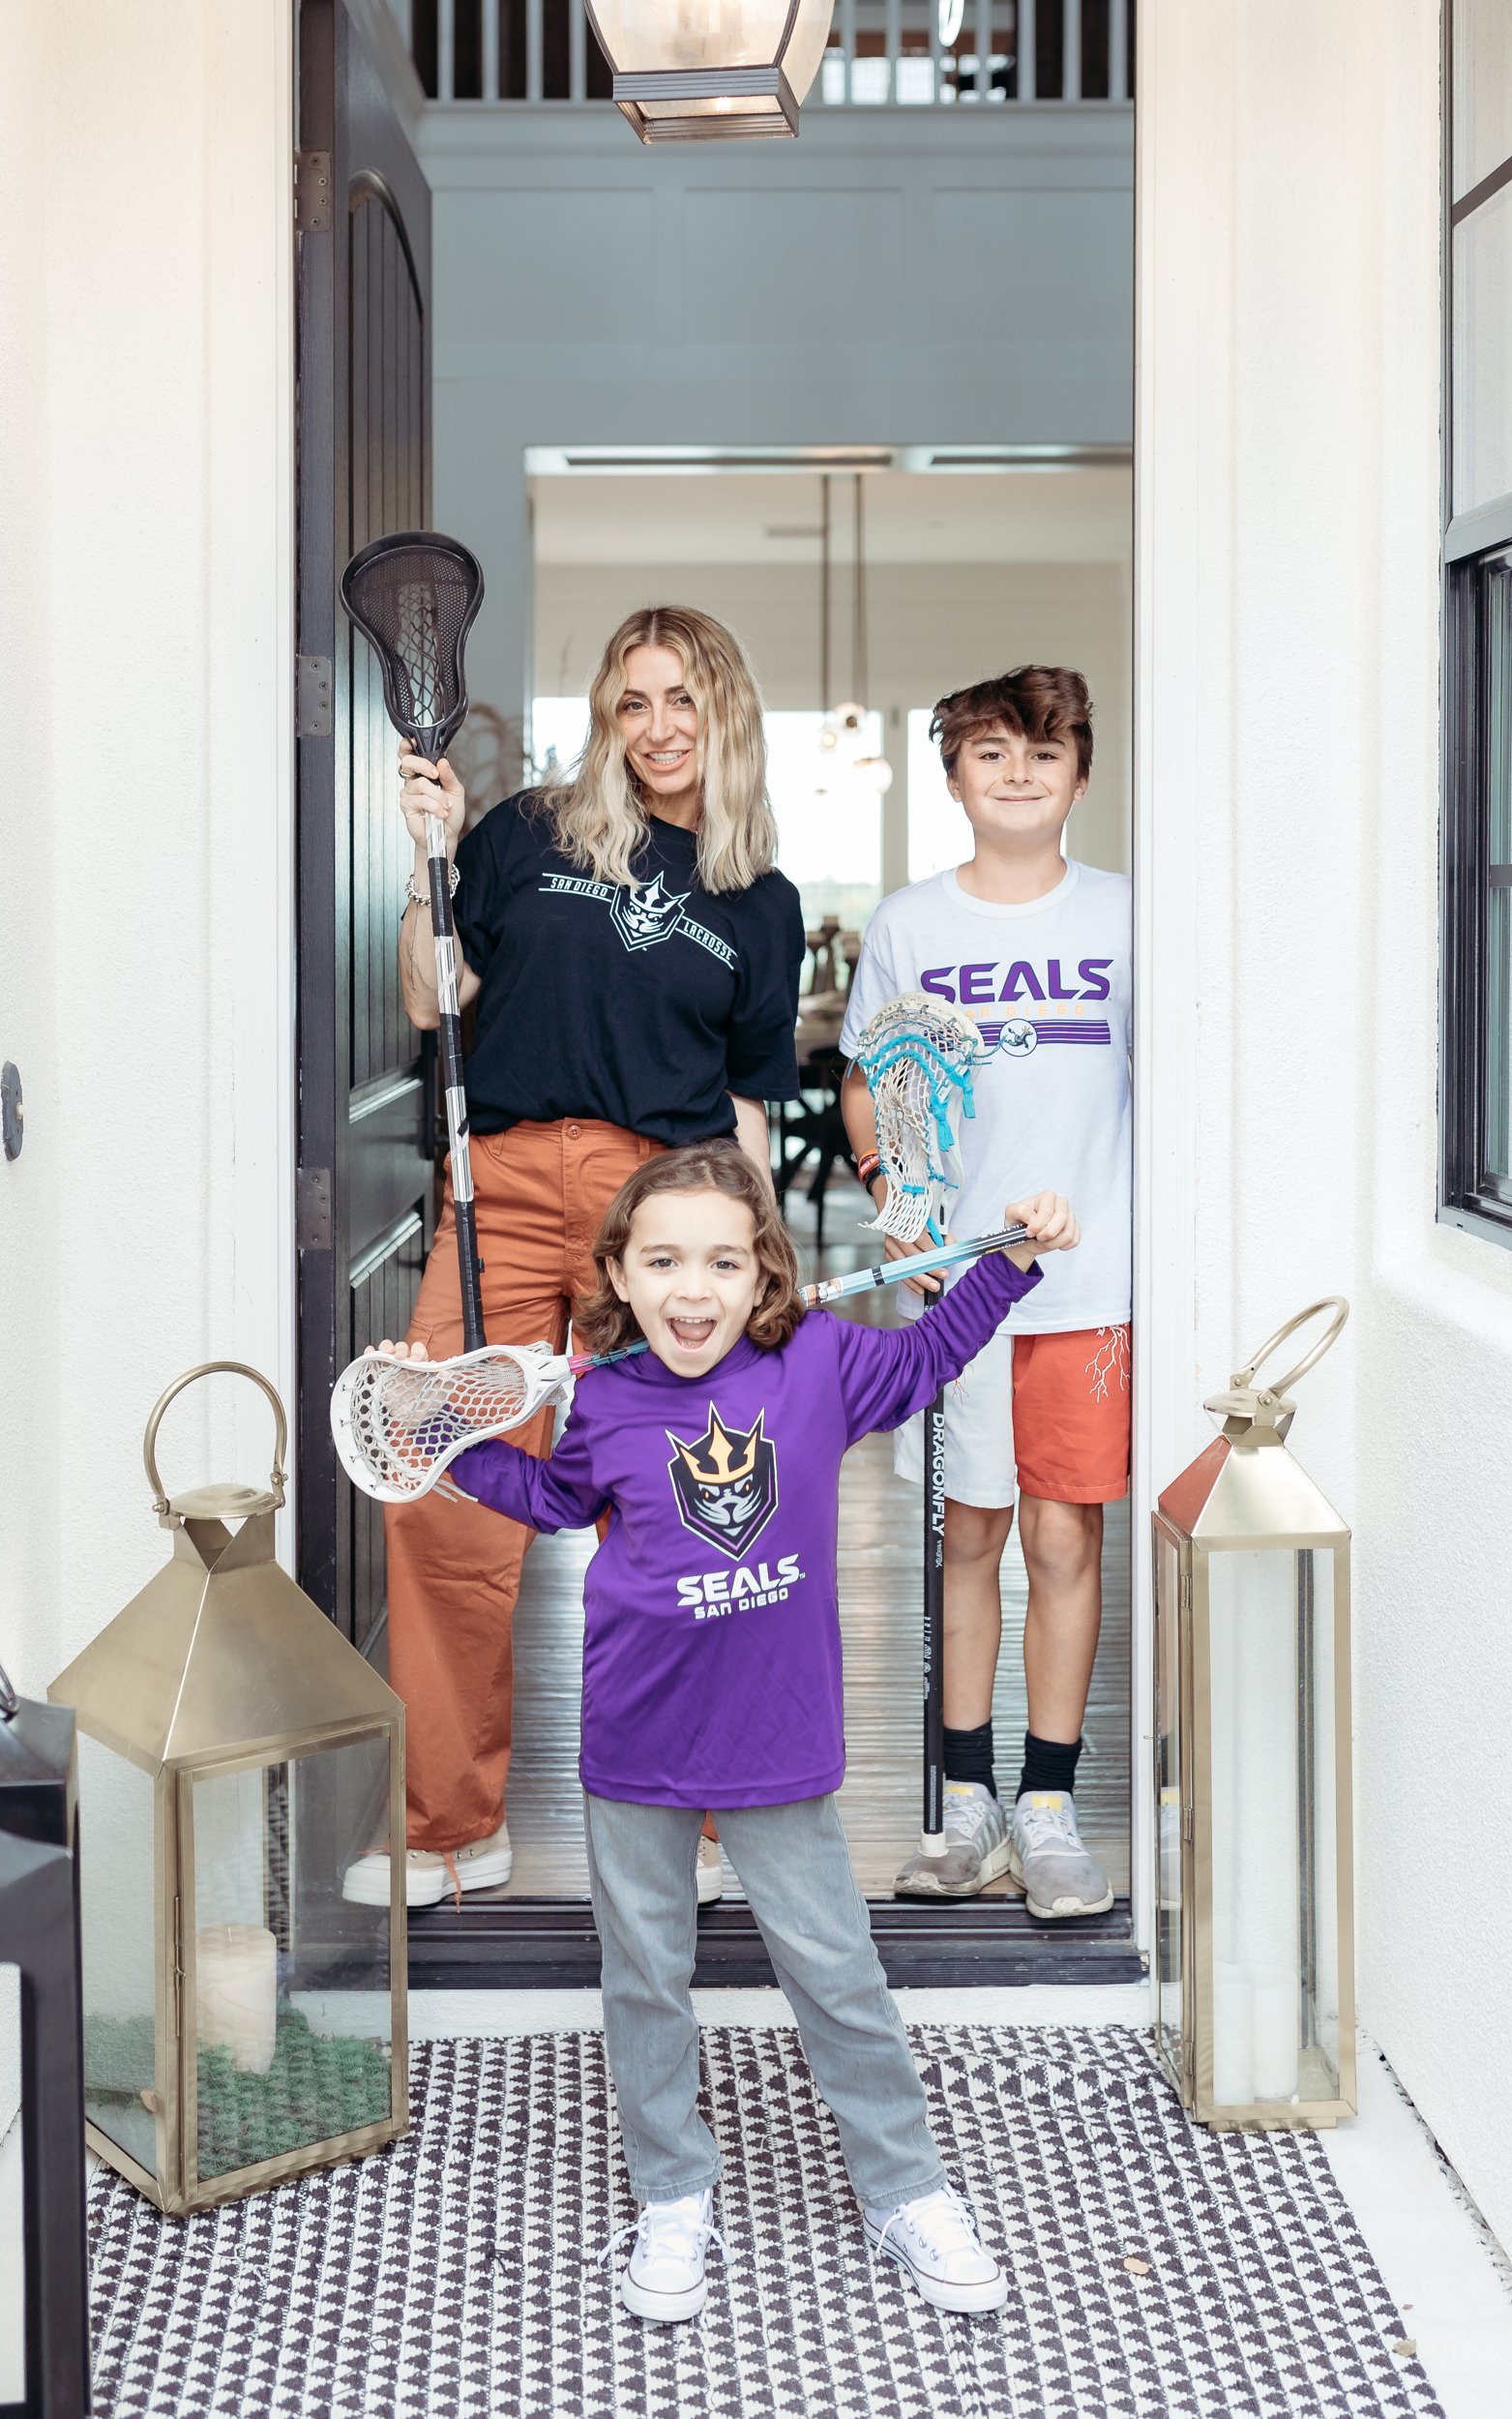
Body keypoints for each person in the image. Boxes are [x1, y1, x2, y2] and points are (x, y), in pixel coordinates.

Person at [383, 1143, 1077, 2319]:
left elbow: (930, 1354)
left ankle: (903, 2184)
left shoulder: (820, 1359)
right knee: (643, 1975)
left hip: (779, 1741)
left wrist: (1008, 1263)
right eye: (661, 1260)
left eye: (719, 1259)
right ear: (618, 1272)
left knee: (835, 1971)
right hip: (634, 1743)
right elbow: (554, 1502)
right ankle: (669, 2187)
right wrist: (436, 1431)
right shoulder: (599, 1396)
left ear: (766, 1274)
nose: (690, 1288)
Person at [344, 609, 805, 1914]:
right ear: (607, 716)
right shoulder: (525, 836)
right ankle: (446, 1827)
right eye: (632, 702)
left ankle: (709, 1827)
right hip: (498, 1190)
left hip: (661, 1208)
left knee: (684, 1500)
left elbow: (753, 1104)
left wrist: (752, 1268)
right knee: (437, 1482)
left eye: (683, 701)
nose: (657, 728)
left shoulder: (757, 904)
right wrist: (427, 862)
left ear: (723, 715)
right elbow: (434, 1001)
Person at [839, 666, 1131, 1921]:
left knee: (1066, 1538)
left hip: (1091, 1287)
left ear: (1077, 772)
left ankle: (1047, 1806)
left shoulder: (1129, 914)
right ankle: (962, 1805)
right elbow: (868, 1082)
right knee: (969, 1538)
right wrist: (887, 1181)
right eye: (990, 753)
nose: (1016, 773)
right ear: (952, 774)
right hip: (959, 1293)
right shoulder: (910, 924)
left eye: (1042, 752)